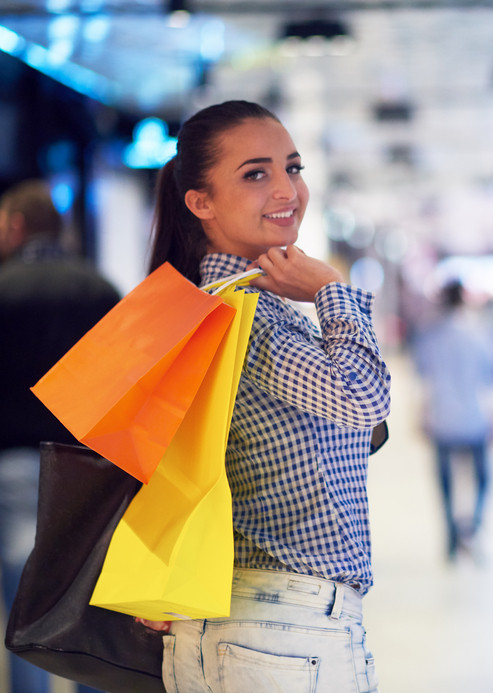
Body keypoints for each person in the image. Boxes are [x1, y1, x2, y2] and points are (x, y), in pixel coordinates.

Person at [138, 100, 391, 693]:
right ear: (199, 203)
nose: (287, 189)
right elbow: (363, 399)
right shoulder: (244, 313)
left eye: (293, 168)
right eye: (255, 174)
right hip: (282, 628)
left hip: (233, 623)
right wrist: (332, 288)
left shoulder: (202, 305)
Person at [0, 180, 120, 693]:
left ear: (16, 226)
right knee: (86, 594)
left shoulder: (2, 289)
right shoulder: (100, 288)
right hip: (87, 466)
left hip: (16, 463)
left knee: (27, 600)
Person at [412, 279, 493, 561]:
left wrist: (420, 415)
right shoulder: (481, 333)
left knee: (444, 481)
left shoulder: (429, 334)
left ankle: (451, 536)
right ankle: (473, 527)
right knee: (483, 479)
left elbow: (423, 380)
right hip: (475, 418)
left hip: (441, 417)